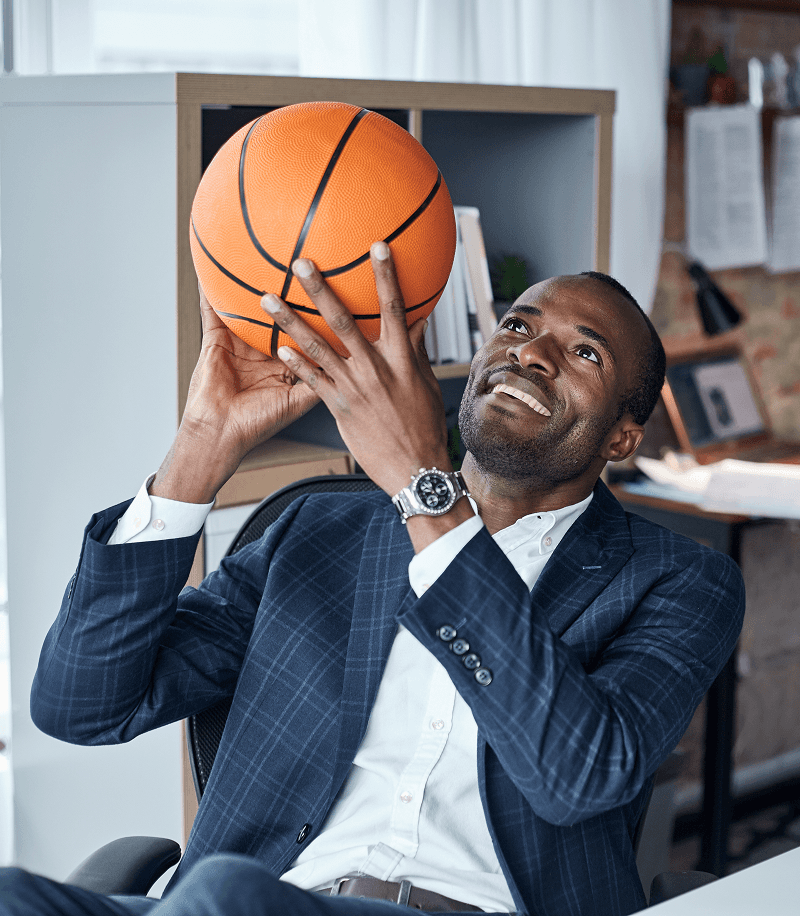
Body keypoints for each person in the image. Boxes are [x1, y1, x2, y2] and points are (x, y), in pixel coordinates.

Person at [1, 243, 744, 916]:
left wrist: (426, 488)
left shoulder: (679, 580)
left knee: (226, 895)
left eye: (586, 354)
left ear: (621, 436)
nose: (533, 355)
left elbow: (578, 776)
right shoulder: (319, 532)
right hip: (261, 898)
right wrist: (200, 446)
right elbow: (81, 706)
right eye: (518, 327)